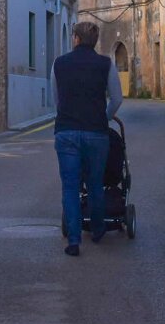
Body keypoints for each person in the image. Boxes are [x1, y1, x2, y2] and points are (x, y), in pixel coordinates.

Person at [51, 21, 122, 256]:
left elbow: (56, 99)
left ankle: (73, 240)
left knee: (70, 186)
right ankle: (99, 229)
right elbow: (117, 99)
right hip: (96, 133)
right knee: (95, 183)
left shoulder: (59, 64)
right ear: (95, 41)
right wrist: (105, 117)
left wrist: (66, 116)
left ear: (76, 39)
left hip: (67, 132)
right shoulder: (106, 64)